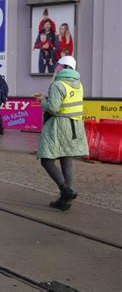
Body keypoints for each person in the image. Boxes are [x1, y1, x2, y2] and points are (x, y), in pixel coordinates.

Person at [34, 56, 88, 211]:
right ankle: (65, 201)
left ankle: (66, 191)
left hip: (59, 126)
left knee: (46, 159)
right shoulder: (78, 84)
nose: (55, 68)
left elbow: (53, 108)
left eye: (57, 66)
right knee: (67, 161)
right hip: (75, 125)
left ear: (63, 67)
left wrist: (42, 101)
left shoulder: (58, 84)